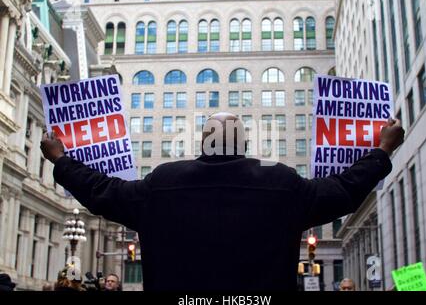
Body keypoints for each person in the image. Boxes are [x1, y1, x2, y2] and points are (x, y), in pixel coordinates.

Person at [40, 112, 404, 291]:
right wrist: (383, 148)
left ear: (204, 143)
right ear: (244, 144)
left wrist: (60, 158)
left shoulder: (163, 184)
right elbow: (344, 190)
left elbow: (102, 190)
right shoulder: (282, 184)